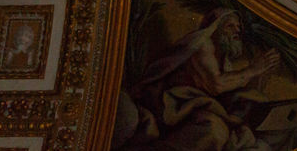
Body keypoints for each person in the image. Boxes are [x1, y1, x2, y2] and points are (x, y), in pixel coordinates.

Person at [119, 9, 280, 151]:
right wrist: (252, 70)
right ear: (215, 27)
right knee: (214, 130)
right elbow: (216, 85)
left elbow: (229, 94)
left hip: (192, 108)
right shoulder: (202, 45)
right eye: (230, 26)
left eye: (239, 27)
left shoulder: (225, 62)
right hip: (170, 105)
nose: (236, 31)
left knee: (241, 134)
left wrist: (261, 74)